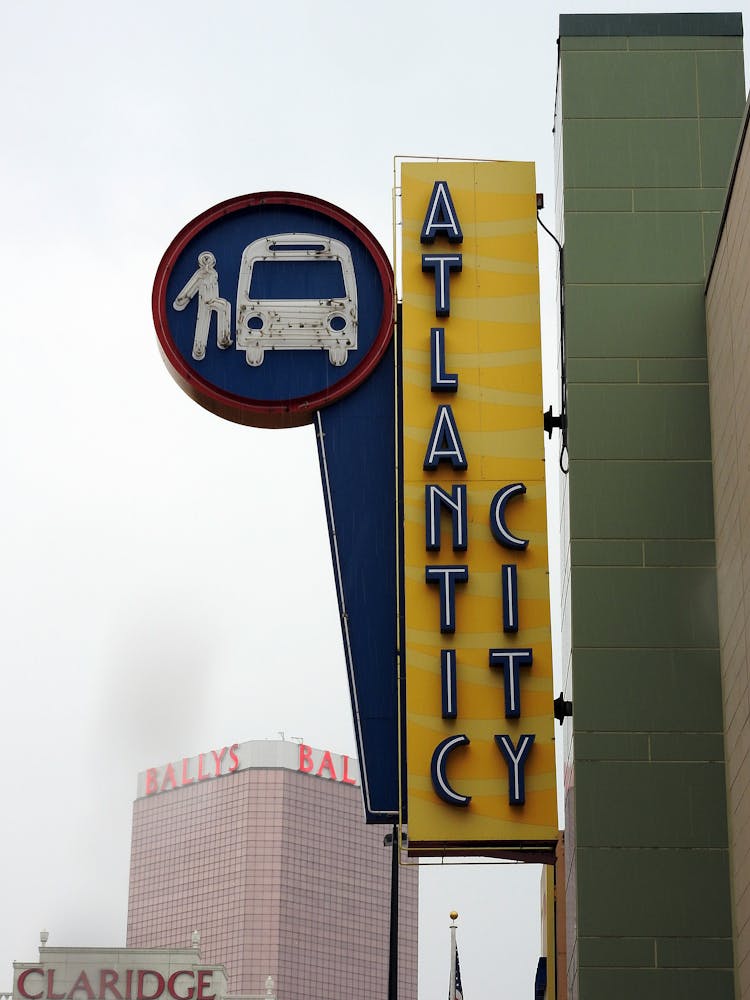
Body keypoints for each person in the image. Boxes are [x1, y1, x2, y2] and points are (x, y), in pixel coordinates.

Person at [173, 251, 231, 360]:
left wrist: (181, 300)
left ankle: (223, 338)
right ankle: (199, 348)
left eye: (208, 260)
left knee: (224, 306)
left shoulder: (213, 273)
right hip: (205, 301)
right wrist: (181, 300)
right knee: (203, 323)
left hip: (212, 300)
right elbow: (189, 290)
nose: (207, 264)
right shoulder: (201, 274)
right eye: (205, 260)